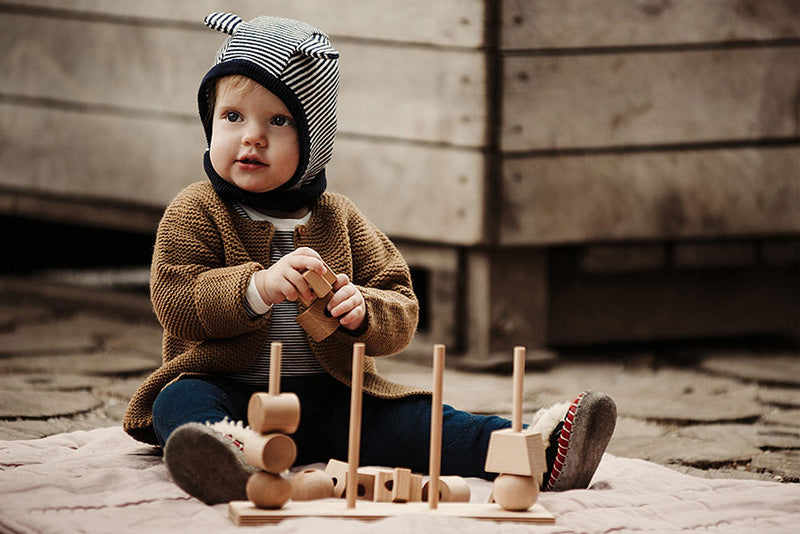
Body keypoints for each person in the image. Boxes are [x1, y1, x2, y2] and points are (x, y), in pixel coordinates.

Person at [122, 12, 617, 505]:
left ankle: (532, 447)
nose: (252, 136)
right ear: (210, 120)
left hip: (335, 396)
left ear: (314, 139)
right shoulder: (196, 209)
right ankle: (231, 456)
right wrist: (259, 288)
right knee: (179, 401)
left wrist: (363, 311)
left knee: (422, 423)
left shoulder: (340, 218)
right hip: (231, 392)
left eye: (279, 121)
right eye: (233, 117)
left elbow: (402, 305)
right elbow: (176, 299)